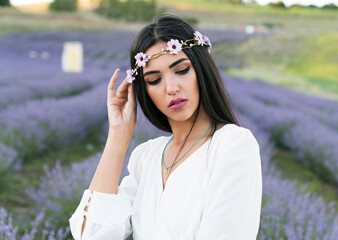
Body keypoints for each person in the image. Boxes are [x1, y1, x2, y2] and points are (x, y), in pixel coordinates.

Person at [69, 14, 262, 240]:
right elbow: (90, 234)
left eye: (181, 70)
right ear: (145, 91)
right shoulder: (146, 157)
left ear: (201, 69)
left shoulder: (232, 145)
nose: (171, 88)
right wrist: (117, 136)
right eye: (154, 80)